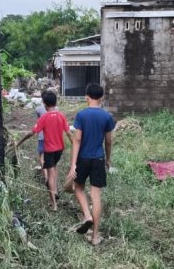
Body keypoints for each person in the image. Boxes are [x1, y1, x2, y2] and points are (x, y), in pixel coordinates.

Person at [67, 83, 115, 246]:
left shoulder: (81, 115)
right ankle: (95, 237)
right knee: (96, 196)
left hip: (83, 158)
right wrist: (108, 159)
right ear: (101, 98)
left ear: (87, 96)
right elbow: (108, 141)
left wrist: (73, 165)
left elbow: (77, 139)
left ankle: (87, 215)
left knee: (78, 188)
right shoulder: (107, 117)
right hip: (98, 159)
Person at [15, 91, 72, 211]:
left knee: (50, 175)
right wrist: (76, 146)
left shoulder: (44, 117)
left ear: (44, 104)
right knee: (54, 169)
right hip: (60, 150)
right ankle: (55, 191)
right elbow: (69, 133)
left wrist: (19, 143)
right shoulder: (61, 116)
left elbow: (32, 132)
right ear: (55, 102)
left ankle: (53, 203)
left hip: (49, 150)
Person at [35, 100, 48, 182]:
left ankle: (46, 177)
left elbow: (38, 120)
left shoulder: (38, 109)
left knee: (42, 157)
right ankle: (50, 177)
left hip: (42, 136)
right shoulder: (56, 109)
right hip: (52, 137)